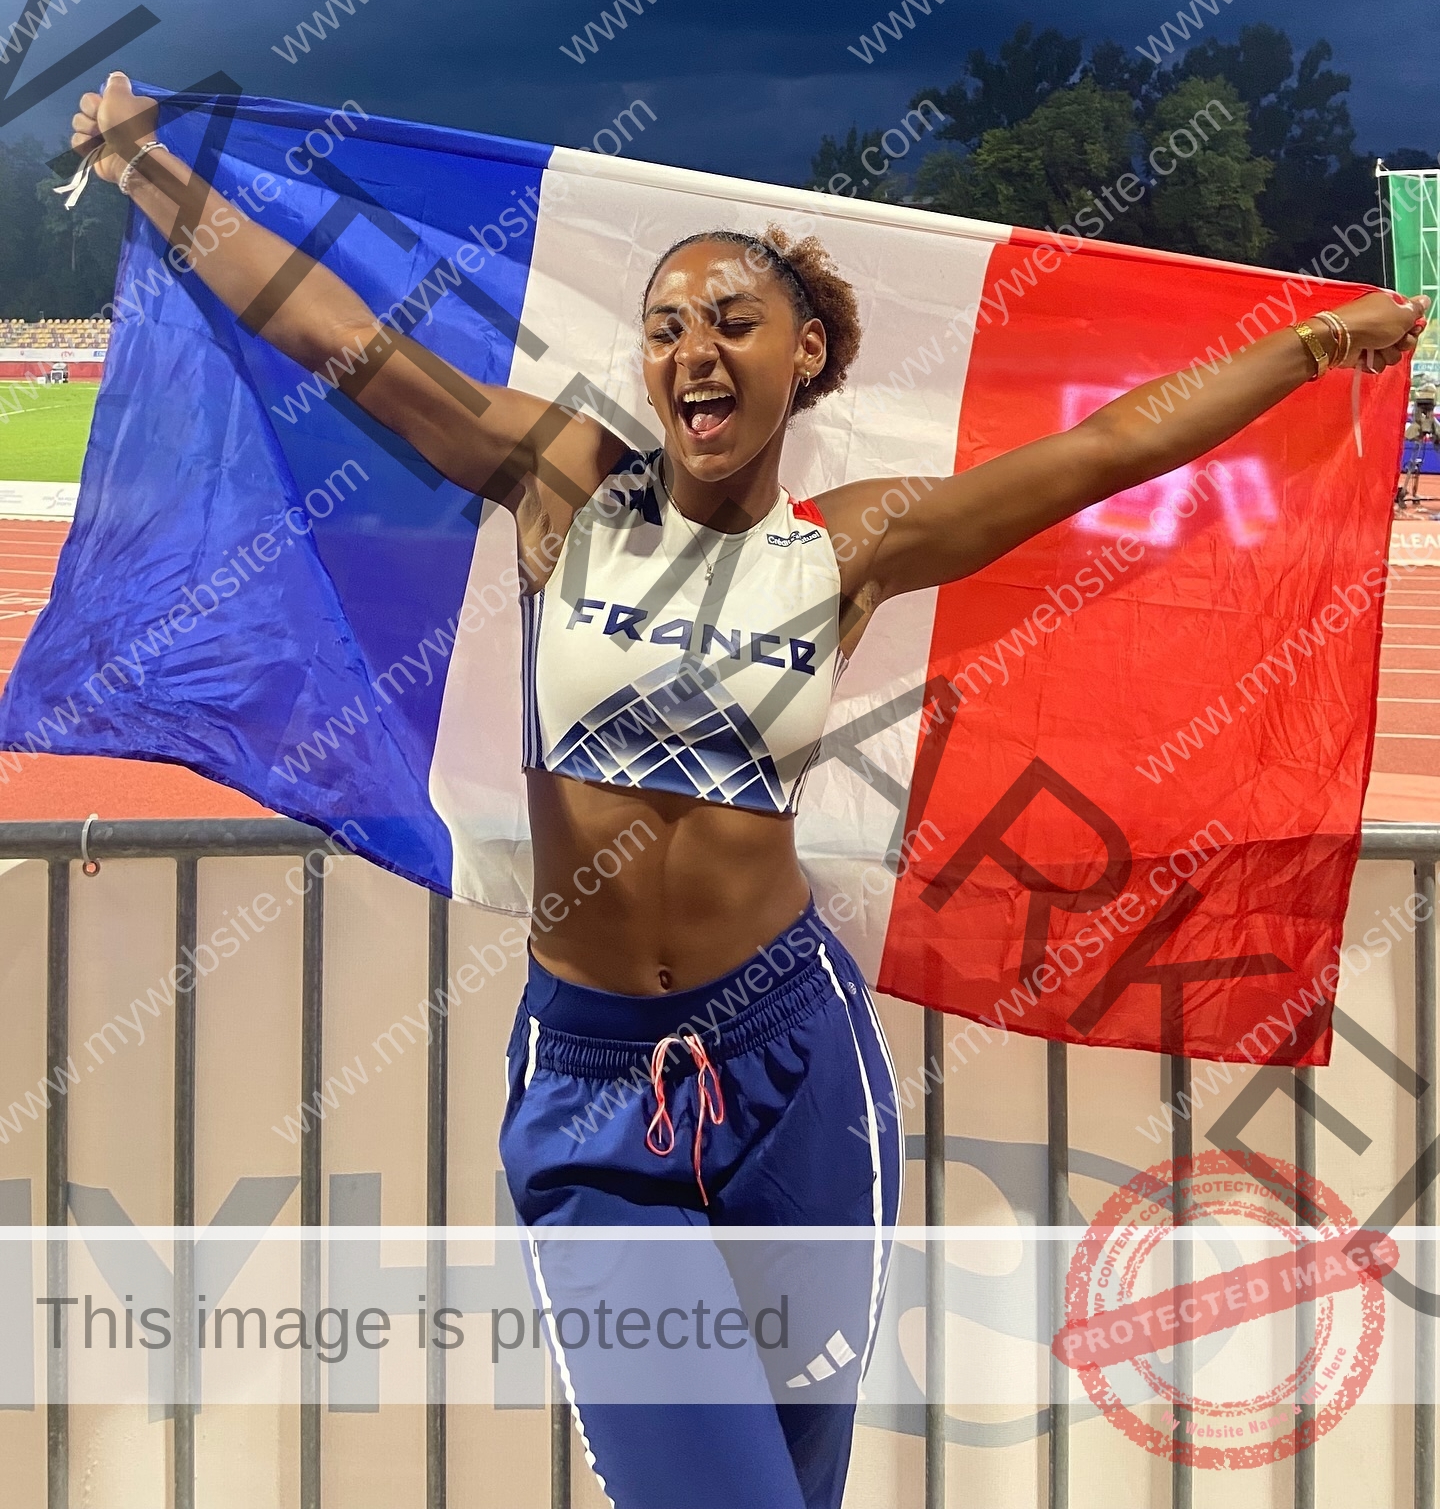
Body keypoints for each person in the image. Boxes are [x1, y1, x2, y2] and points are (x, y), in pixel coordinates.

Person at [70, 73, 1424, 1509]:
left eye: (731, 322)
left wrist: (1311, 349)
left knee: (794, 1488)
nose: (692, 351)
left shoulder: (849, 547)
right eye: (665, 328)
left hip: (794, 1066)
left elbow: (1103, 453)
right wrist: (151, 170)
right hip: (587, 1090)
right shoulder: (562, 485)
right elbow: (341, 343)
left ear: (806, 354)